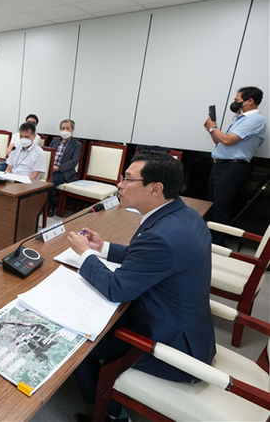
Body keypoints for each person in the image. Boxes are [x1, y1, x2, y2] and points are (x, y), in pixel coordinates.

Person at [66, 151, 215, 422]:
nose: (119, 185)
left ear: (155, 188)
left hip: (169, 346)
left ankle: (109, 412)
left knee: (78, 345)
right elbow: (147, 257)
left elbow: (117, 289)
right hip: (188, 329)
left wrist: (85, 254)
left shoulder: (161, 236)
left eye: (127, 179)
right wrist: (102, 248)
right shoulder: (182, 215)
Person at [204, 86, 266, 244]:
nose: (235, 103)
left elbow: (227, 140)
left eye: (237, 100)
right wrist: (211, 130)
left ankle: (216, 244)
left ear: (249, 101)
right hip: (220, 165)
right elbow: (220, 141)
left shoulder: (255, 120)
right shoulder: (241, 119)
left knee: (220, 206)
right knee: (213, 204)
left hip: (232, 167)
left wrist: (214, 127)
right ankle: (208, 239)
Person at [47, 119, 82, 217]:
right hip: (50, 170)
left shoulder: (77, 145)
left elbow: (74, 162)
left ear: (72, 130)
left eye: (68, 128)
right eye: (63, 128)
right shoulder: (54, 142)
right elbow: (48, 154)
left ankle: (50, 208)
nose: (65, 130)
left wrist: (58, 168)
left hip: (64, 172)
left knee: (50, 183)